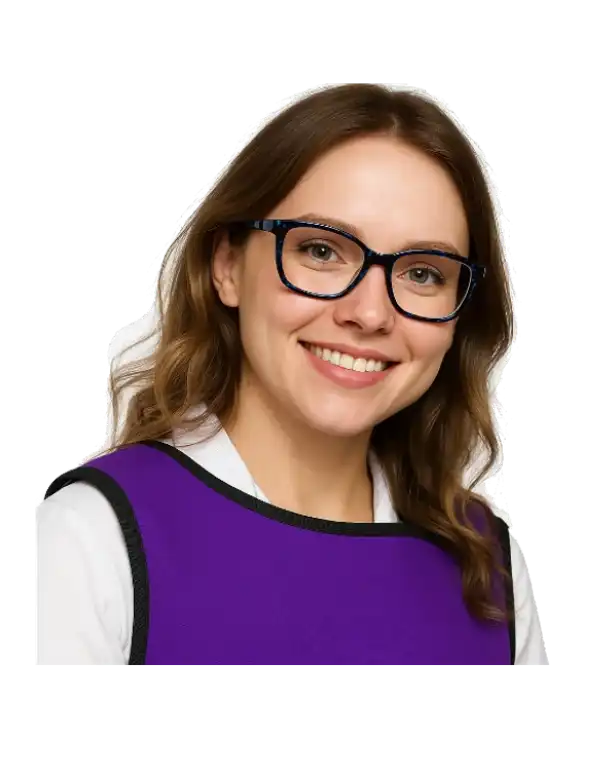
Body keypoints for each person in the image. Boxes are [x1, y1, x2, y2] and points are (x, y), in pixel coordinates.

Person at [32, 83, 548, 671]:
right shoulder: (89, 542)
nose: (369, 313)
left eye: (423, 273)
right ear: (227, 266)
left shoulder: (489, 568)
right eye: (321, 251)